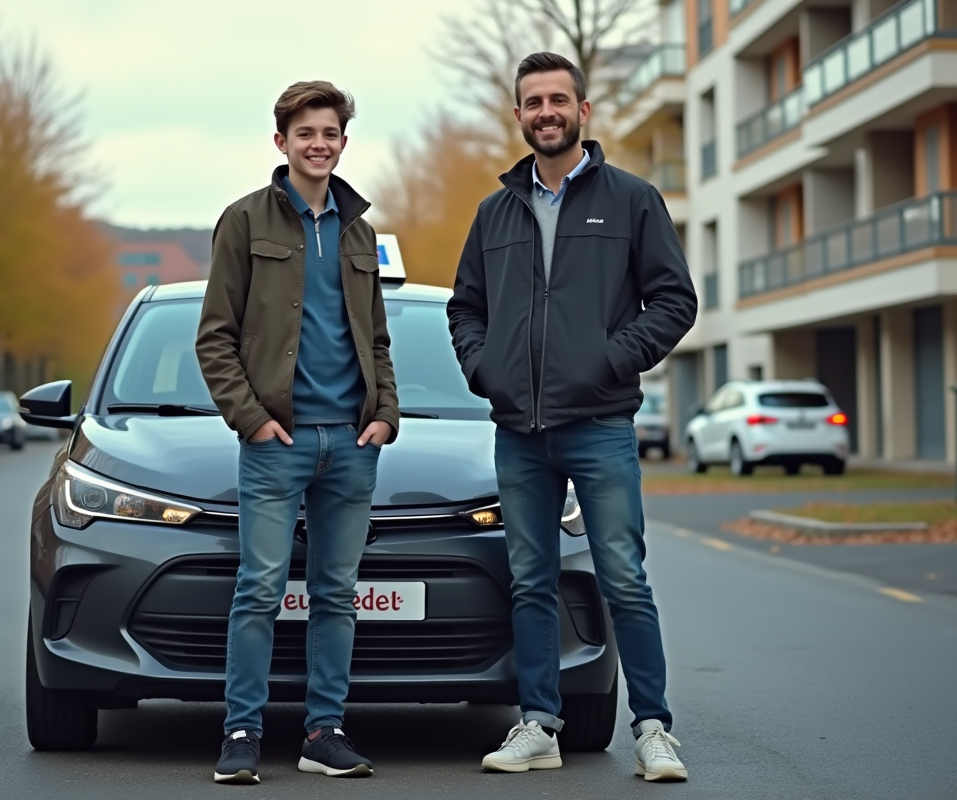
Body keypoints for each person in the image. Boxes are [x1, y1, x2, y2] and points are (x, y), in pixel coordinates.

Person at [446, 52, 698, 782]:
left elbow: (675, 301)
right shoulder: (495, 212)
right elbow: (466, 308)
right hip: (518, 433)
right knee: (531, 580)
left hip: (599, 426)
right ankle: (540, 724)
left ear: (583, 111)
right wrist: (483, 367)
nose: (546, 111)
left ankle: (653, 728)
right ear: (519, 114)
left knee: (623, 576)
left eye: (559, 99)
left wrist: (610, 360)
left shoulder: (632, 200)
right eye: (533, 101)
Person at [196, 80, 399, 784]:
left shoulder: (359, 229)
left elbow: (377, 340)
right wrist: (250, 420)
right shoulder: (244, 222)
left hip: (351, 443)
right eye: (306, 133)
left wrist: (385, 415)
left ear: (343, 142)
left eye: (331, 133)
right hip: (276, 445)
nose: (320, 144)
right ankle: (243, 732)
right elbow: (214, 340)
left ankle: (324, 732)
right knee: (258, 589)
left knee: (336, 595)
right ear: (281, 141)